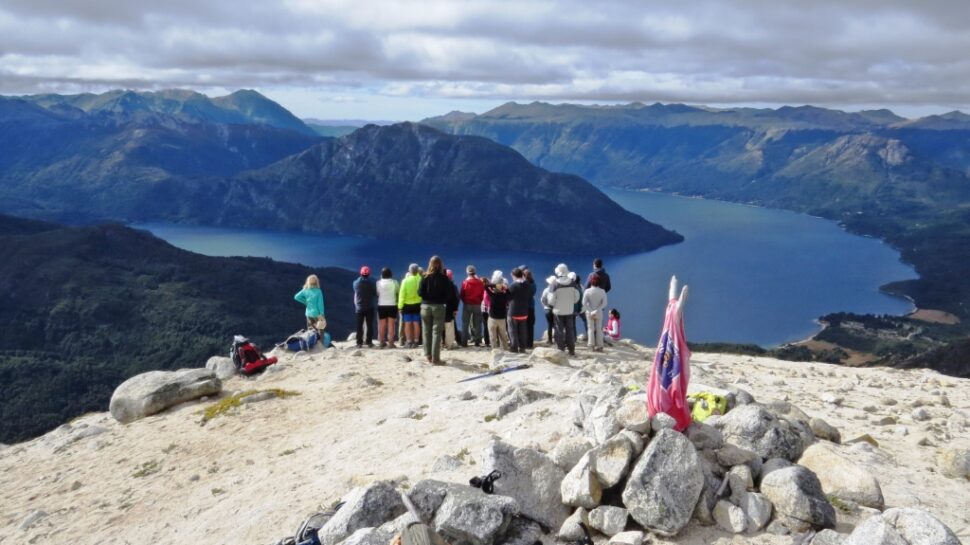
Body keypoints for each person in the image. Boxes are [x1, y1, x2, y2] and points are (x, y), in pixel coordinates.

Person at [418, 256, 451, 365]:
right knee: (437, 333)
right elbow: (448, 294)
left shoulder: (424, 277)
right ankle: (436, 359)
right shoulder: (444, 278)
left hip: (425, 307)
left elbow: (419, 292)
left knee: (426, 331)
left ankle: (428, 355)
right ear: (441, 264)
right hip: (439, 307)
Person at [548, 264, 579, 355]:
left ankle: (560, 349)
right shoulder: (573, 283)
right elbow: (576, 298)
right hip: (569, 310)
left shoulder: (555, 284)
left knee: (559, 330)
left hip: (558, 311)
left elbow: (551, 300)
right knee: (570, 330)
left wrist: (554, 304)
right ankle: (571, 349)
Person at [507, 268, 532, 353]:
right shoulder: (527, 284)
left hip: (513, 311)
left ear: (514, 275)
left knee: (512, 330)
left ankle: (514, 348)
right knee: (523, 331)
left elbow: (508, 297)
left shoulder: (513, 286)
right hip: (524, 311)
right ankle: (522, 348)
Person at [484, 271, 511, 350]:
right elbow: (509, 293)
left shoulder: (492, 295)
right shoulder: (505, 296)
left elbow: (485, 286)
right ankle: (505, 350)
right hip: (502, 318)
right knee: (503, 337)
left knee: (493, 337)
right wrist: (504, 286)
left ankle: (495, 351)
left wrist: (495, 284)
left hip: (492, 318)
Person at [459, 265, 485, 347]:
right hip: (477, 304)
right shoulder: (480, 282)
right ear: (475, 272)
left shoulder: (465, 282)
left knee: (465, 323)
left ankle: (464, 342)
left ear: (467, 272)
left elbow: (461, 294)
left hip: (467, 304)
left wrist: (465, 301)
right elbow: (482, 294)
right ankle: (477, 341)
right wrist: (479, 301)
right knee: (478, 323)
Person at [398, 263, 423, 348]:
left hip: (407, 305)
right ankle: (416, 341)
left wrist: (400, 306)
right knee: (416, 323)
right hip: (418, 304)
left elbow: (402, 294)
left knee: (407, 324)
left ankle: (409, 341)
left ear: (410, 271)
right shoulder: (421, 279)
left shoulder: (405, 281)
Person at [353, 266, 377, 347]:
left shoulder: (356, 283)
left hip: (359, 308)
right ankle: (369, 342)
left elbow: (354, 288)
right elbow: (375, 293)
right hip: (369, 307)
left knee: (359, 326)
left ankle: (359, 342)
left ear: (361, 273)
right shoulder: (371, 283)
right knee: (369, 325)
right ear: (369, 274)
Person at [583, 275, 608, 351]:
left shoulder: (587, 291)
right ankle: (600, 346)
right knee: (599, 328)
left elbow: (583, 303)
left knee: (590, 328)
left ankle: (591, 345)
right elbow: (604, 303)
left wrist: (591, 311)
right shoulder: (602, 291)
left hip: (589, 312)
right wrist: (597, 309)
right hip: (599, 312)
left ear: (591, 282)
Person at [376, 267, 400, 348]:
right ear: (391, 275)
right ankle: (391, 343)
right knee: (391, 324)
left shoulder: (378, 283)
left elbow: (377, 293)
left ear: (381, 275)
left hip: (381, 305)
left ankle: (382, 342)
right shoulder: (395, 282)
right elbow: (397, 291)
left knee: (382, 324)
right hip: (392, 305)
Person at [443, 269, 460, 349]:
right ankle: (449, 344)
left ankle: (441, 343)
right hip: (449, 309)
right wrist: (455, 308)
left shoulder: (439, 284)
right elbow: (456, 298)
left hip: (440, 308)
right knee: (449, 326)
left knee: (440, 326)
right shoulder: (452, 286)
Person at [523, 267, 537, 348]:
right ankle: (530, 344)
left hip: (524, 307)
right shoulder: (534, 284)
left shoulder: (524, 284)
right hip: (531, 306)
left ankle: (524, 343)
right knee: (530, 325)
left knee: (523, 325)